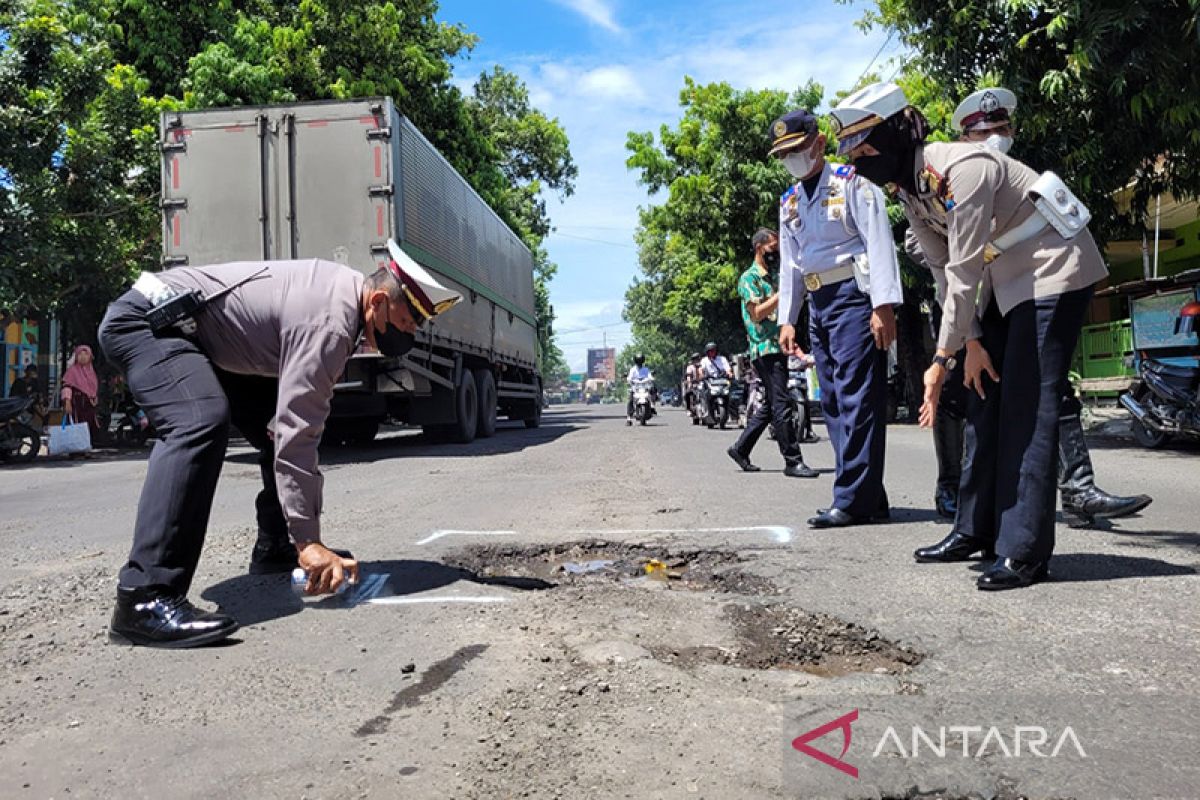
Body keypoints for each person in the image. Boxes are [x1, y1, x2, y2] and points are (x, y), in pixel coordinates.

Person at [97, 240, 461, 646]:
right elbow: (300, 432)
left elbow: (290, 423)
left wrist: (301, 537)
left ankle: (275, 546)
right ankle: (144, 599)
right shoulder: (331, 322)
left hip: (200, 338)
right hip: (149, 324)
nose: (409, 334)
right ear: (377, 300)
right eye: (407, 321)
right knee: (199, 422)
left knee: (274, 420)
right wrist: (310, 541)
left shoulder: (343, 299)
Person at [833, 82, 1108, 589]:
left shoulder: (963, 169)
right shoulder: (913, 191)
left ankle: (1023, 550)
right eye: (851, 149)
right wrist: (972, 344)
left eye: (865, 144)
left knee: (1028, 407)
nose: (858, 157)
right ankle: (974, 529)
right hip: (1006, 286)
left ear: (897, 133)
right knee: (983, 397)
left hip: (1054, 271)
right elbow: (941, 274)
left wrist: (940, 360)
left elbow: (963, 270)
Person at [942, 88, 1149, 528]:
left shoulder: (1015, 175)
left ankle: (1076, 488)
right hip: (971, 308)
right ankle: (964, 502)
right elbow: (938, 259)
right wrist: (969, 335)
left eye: (1002, 129)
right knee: (974, 402)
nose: (996, 138)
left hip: (1025, 293)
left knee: (1047, 388)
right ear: (963, 140)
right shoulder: (953, 182)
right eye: (985, 132)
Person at [769, 108, 903, 528]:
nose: (793, 159)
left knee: (856, 398)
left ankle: (850, 498)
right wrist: (787, 320)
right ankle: (867, 495)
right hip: (817, 302)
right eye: (785, 154)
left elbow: (880, 244)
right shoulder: (789, 202)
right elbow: (791, 264)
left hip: (854, 296)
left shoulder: (853, 185)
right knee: (830, 400)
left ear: (820, 143)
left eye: (798, 149)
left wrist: (883, 306)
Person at [727, 228, 817, 478]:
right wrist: (781, 295)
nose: (776, 253)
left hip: (777, 346)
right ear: (759, 247)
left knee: (770, 404)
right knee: (781, 403)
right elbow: (756, 314)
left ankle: (741, 448)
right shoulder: (749, 278)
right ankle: (792, 460)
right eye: (773, 248)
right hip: (764, 348)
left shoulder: (772, 276)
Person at [61, 345, 101, 442]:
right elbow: (67, 386)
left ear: (90, 356)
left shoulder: (91, 372)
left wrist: (94, 398)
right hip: (77, 405)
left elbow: (93, 388)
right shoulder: (72, 371)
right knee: (77, 426)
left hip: (89, 405)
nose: (83, 357)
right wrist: (67, 402)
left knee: (89, 426)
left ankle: (86, 448)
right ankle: (76, 451)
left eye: (86, 354)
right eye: (80, 354)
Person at [626, 353, 654, 424]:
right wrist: (629, 380)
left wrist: (651, 378)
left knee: (652, 391)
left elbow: (650, 376)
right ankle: (629, 418)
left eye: (640, 361)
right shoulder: (633, 370)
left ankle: (652, 406)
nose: (639, 363)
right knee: (630, 400)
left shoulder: (646, 369)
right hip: (635, 388)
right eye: (638, 361)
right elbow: (629, 378)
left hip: (644, 387)